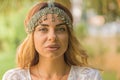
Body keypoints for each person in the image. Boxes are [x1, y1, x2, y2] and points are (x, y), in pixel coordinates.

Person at [2, 1, 102, 80]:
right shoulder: (14, 78)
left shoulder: (89, 77)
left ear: (69, 36)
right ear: (32, 37)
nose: (52, 36)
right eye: (43, 29)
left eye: (60, 29)